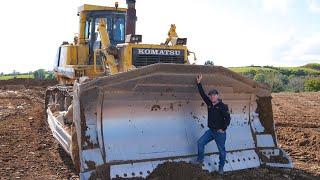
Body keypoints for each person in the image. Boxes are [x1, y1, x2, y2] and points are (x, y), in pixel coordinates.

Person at [193, 74, 231, 175]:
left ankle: (221, 168)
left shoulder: (223, 106)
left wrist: (223, 128)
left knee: (222, 152)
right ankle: (200, 160)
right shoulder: (209, 104)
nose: (212, 97)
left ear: (217, 96)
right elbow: (202, 94)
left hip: (220, 133)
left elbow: (228, 118)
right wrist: (199, 83)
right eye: (211, 95)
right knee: (200, 142)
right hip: (211, 131)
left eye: (214, 95)